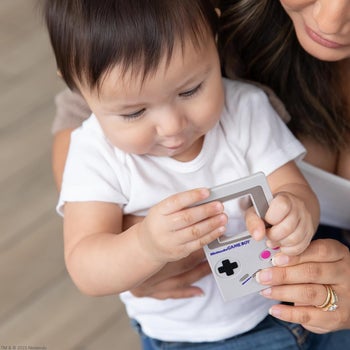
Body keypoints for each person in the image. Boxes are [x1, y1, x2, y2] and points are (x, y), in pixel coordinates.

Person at [47, 0, 350, 345]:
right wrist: (146, 246)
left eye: (190, 90)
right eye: (134, 113)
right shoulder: (93, 152)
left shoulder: (245, 107)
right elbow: (86, 265)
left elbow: (290, 186)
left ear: (214, 39)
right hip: (194, 340)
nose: (173, 127)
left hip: (296, 305)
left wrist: (293, 209)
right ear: (77, 87)